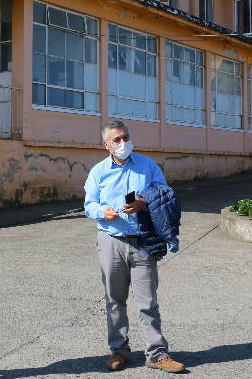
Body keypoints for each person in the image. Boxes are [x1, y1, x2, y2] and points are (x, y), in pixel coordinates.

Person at [84, 120, 186, 374]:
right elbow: (88, 204)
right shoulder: (98, 171)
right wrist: (102, 211)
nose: (122, 143)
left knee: (147, 301)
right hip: (112, 241)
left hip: (143, 241)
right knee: (114, 300)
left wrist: (144, 202)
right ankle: (118, 351)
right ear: (106, 144)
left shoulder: (147, 165)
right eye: (116, 140)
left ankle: (157, 354)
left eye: (125, 138)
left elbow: (164, 192)